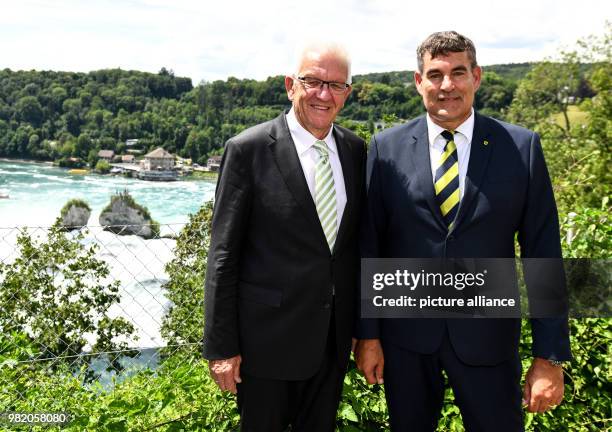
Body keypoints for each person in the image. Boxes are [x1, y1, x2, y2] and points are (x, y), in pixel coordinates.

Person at [354, 31, 571, 431]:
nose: (446, 86)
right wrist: (368, 335)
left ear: (477, 76)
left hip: (489, 341)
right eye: (435, 75)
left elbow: (544, 253)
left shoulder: (521, 148)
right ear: (419, 82)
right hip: (406, 341)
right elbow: (371, 245)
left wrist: (550, 356)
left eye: (458, 72)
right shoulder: (386, 148)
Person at [203, 42, 365, 431]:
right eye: (313, 82)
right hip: (266, 345)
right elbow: (223, 254)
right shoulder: (248, 149)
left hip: (332, 343)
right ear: (291, 84)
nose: (324, 94)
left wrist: (364, 330)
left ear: (347, 93)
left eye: (337, 85)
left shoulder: (356, 151)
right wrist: (222, 347)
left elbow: (355, 248)